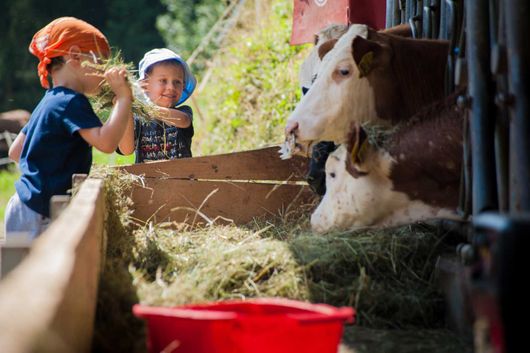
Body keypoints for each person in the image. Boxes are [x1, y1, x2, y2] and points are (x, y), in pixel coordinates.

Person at [4, 17, 132, 239]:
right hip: (42, 213)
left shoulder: (48, 101)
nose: (104, 72)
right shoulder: (72, 101)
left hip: (23, 206)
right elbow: (107, 142)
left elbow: (15, 151)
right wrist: (123, 98)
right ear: (75, 56)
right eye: (101, 62)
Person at [118, 48, 197, 163]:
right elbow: (126, 150)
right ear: (145, 85)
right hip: (150, 179)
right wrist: (126, 107)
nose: (171, 87)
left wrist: (146, 108)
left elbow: (184, 121)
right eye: (163, 80)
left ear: (183, 86)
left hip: (182, 179)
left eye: (177, 82)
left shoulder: (184, 112)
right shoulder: (138, 119)